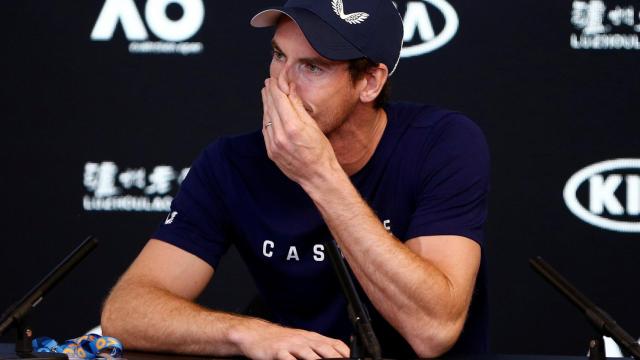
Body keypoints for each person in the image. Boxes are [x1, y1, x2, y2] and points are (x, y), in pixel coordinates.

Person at [101, 0, 490, 358]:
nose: (283, 84)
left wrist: (320, 174)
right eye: (278, 55)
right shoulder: (232, 162)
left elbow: (433, 331)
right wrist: (249, 334)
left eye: (312, 67)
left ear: (369, 81)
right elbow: (127, 311)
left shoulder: (442, 143)